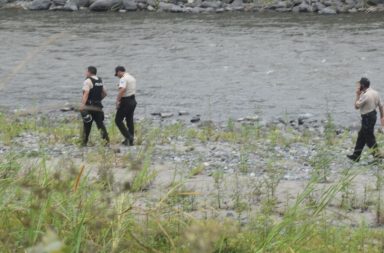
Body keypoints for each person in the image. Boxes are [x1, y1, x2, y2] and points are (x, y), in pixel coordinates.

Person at [347, 77, 384, 162]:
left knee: (369, 137)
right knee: (361, 136)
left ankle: (378, 156)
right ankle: (356, 156)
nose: (358, 86)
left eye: (359, 85)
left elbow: (356, 106)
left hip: (367, 117)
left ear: (362, 86)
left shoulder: (365, 95)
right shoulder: (375, 93)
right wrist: (382, 117)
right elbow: (381, 106)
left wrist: (357, 94)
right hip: (373, 115)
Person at [80, 66, 109, 146]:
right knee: (100, 124)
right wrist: (98, 100)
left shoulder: (88, 81)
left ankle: (84, 142)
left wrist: (82, 106)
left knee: (87, 124)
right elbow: (105, 93)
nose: (85, 73)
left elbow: (86, 94)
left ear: (89, 72)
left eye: (86, 71)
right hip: (98, 106)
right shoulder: (99, 80)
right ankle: (106, 142)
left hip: (89, 106)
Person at [114, 66, 137, 146]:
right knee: (129, 120)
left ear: (119, 71)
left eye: (117, 74)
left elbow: (122, 90)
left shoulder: (123, 79)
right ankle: (130, 141)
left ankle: (129, 137)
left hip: (126, 101)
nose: (117, 76)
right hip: (133, 100)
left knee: (118, 120)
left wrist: (117, 101)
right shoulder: (132, 78)